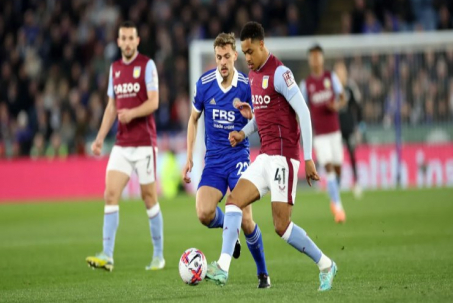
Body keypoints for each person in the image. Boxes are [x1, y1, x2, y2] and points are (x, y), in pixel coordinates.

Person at [206, 22, 337, 291]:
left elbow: (304, 112)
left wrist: (309, 157)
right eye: (244, 53)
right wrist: (243, 132)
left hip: (284, 159)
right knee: (233, 202)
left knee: (281, 226)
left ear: (262, 45)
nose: (248, 59)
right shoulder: (253, 75)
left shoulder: (281, 73)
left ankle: (325, 264)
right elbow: (262, 117)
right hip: (264, 156)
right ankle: (222, 267)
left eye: (251, 51)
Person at [182, 32, 270, 288]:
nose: (222, 62)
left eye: (227, 56)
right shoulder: (204, 84)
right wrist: (189, 157)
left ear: (235, 56)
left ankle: (263, 273)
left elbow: (260, 123)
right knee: (204, 212)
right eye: (218, 57)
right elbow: (193, 119)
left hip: (239, 158)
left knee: (245, 218)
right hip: (214, 161)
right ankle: (229, 232)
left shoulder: (247, 85)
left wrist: (249, 115)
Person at [86, 21, 164, 272]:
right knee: (110, 194)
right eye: (124, 38)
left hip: (144, 144)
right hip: (121, 143)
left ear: (137, 40)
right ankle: (107, 255)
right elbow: (111, 106)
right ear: (118, 42)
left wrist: (131, 113)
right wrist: (99, 138)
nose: (128, 42)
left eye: (132, 38)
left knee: (148, 197)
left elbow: (154, 102)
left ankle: (158, 256)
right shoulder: (115, 69)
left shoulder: (147, 65)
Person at [300, 44, 347, 223]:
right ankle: (338, 206)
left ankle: (334, 197)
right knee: (327, 166)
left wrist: (337, 105)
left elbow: (342, 97)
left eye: (317, 56)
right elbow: (302, 107)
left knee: (337, 168)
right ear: (309, 60)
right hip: (319, 134)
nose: (315, 59)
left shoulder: (330, 77)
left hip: (334, 131)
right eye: (312, 57)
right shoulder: (307, 84)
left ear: (322, 58)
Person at [335, 61, 363, 199]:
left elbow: (358, 106)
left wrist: (360, 123)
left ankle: (356, 183)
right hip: (336, 129)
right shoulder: (332, 87)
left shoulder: (351, 87)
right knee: (337, 158)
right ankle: (337, 185)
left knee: (352, 155)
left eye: (341, 71)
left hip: (350, 127)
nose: (340, 74)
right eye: (338, 71)